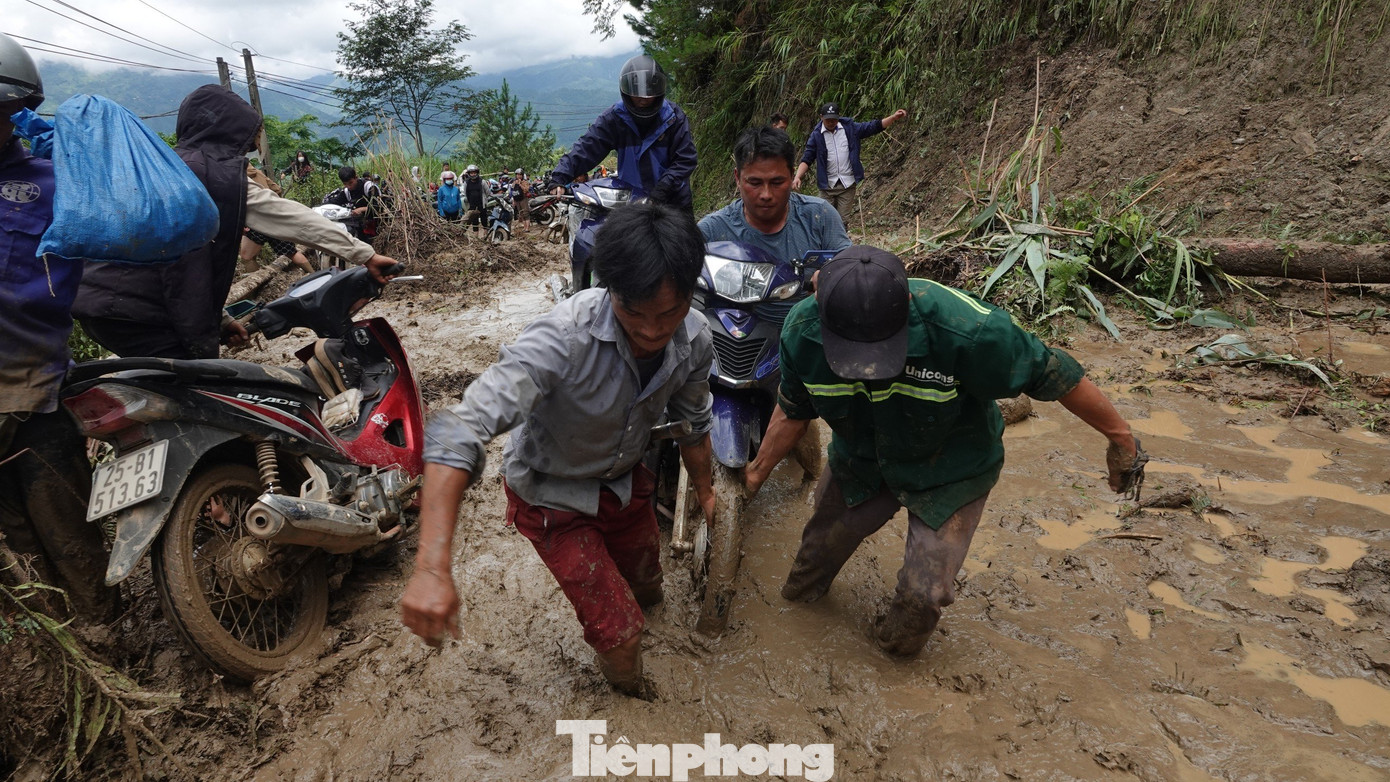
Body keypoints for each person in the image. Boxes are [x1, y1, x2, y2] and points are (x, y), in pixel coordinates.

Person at [742, 246, 1147, 658]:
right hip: (863, 458)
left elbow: (1054, 373)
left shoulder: (970, 330)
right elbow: (792, 411)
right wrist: (755, 475)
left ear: (908, 304)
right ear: (817, 298)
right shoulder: (800, 333)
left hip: (953, 464)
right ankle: (804, 609)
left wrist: (1122, 440)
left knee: (923, 595)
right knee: (812, 563)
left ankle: (892, 655)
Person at [401, 202, 716, 696]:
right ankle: (635, 698)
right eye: (634, 312)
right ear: (609, 288)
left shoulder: (695, 339)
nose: (653, 331)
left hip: (624, 481)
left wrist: (707, 493)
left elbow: (694, 422)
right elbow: (458, 432)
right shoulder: (560, 340)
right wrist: (431, 568)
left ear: (690, 296)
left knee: (650, 584)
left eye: (669, 313)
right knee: (622, 636)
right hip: (552, 496)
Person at [74, 86, 398, 360]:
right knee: (197, 389)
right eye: (251, 137)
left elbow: (173, 265)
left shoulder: (165, 165)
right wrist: (365, 255)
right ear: (228, 132)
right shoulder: (215, 177)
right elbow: (291, 217)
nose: (254, 147)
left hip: (98, 303)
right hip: (140, 312)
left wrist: (220, 320)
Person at [0, 33, 120, 624]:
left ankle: (104, 634)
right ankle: (54, 652)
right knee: (18, 549)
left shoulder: (53, 185)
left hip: (35, 392)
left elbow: (121, 254)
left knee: (68, 531)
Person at [547, 55, 697, 211]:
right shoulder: (615, 118)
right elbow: (587, 147)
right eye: (636, 93)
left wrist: (663, 188)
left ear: (659, 90)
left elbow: (685, 159)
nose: (643, 99)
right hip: (633, 204)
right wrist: (560, 176)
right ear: (626, 91)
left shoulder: (673, 117)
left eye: (649, 93)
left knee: (684, 235)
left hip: (674, 203)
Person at [698, 125, 851, 262]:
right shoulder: (711, 232)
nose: (766, 194)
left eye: (777, 183)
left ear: (792, 176)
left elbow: (850, 271)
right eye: (755, 183)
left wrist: (832, 278)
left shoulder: (820, 218)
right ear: (738, 178)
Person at [793, 102, 908, 223]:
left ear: (839, 117)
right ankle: (825, 242)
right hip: (827, 186)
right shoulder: (816, 135)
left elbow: (873, 127)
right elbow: (807, 158)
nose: (831, 122)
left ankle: (841, 241)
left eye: (834, 119)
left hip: (847, 184)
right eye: (828, 120)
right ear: (821, 117)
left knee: (842, 221)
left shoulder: (850, 128)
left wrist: (893, 117)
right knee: (824, 220)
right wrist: (798, 177)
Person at [323, 165, 387, 245]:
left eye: (350, 183)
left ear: (356, 177)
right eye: (345, 184)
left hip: (379, 222)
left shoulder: (369, 187)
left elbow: (379, 206)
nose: (349, 186)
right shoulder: (346, 192)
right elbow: (334, 202)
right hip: (361, 224)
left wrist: (362, 209)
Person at [462, 163, 486, 236]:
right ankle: (476, 237)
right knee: (474, 222)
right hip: (472, 205)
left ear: (477, 173)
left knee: (484, 220)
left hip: (482, 204)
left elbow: (487, 192)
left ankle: (486, 236)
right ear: (469, 174)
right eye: (471, 173)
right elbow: (465, 193)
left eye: (474, 172)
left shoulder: (482, 182)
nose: (473, 174)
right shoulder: (466, 183)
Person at [510, 168, 530, 234]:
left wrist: (520, 184)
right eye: (517, 175)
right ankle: (524, 227)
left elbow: (526, 190)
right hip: (517, 199)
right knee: (521, 214)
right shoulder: (514, 182)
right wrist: (513, 200)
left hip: (523, 199)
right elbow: (512, 191)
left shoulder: (525, 182)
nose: (519, 176)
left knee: (526, 213)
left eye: (520, 175)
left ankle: (527, 228)